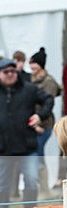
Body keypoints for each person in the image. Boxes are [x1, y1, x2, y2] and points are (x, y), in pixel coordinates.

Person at [0, 57, 54, 208]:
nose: (10, 74)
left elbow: (48, 100)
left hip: (28, 146)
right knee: (2, 185)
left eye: (13, 71)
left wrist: (40, 116)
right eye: (6, 72)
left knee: (31, 181)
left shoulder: (29, 89)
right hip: (3, 147)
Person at [28, 47, 62, 195]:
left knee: (38, 155)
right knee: (36, 155)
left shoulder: (49, 82)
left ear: (41, 64)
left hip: (43, 125)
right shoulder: (32, 79)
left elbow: (47, 106)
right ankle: (41, 189)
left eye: (34, 63)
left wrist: (39, 124)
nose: (31, 66)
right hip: (32, 124)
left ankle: (44, 190)